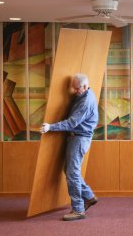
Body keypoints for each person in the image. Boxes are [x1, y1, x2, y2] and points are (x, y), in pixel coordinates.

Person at [40, 73, 98, 221]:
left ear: (85, 86)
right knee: (70, 170)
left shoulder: (86, 101)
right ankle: (89, 196)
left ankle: (78, 210)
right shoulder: (83, 95)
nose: (74, 91)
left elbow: (72, 123)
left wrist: (50, 127)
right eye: (73, 88)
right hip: (76, 138)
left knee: (72, 173)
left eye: (77, 88)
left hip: (79, 139)